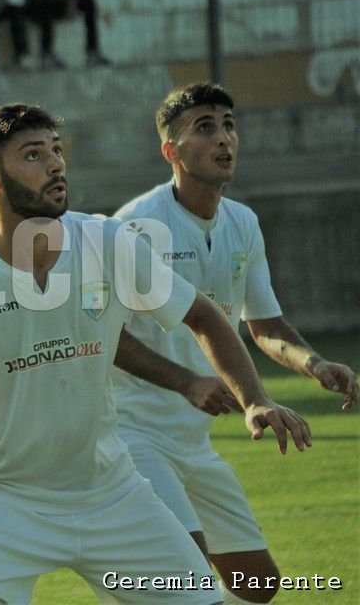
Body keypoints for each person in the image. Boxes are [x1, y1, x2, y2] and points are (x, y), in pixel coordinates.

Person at [0, 102, 313, 605]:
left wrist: (256, 398)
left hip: (111, 492)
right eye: (34, 155)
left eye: (57, 151)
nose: (56, 164)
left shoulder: (109, 242)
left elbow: (203, 315)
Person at [108, 82, 357, 604]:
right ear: (170, 151)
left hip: (193, 443)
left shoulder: (243, 222)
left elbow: (264, 326)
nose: (224, 138)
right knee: (186, 582)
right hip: (130, 438)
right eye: (205, 127)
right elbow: (103, 338)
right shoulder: (135, 227)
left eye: (228, 125)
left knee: (258, 586)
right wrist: (187, 382)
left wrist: (314, 363)